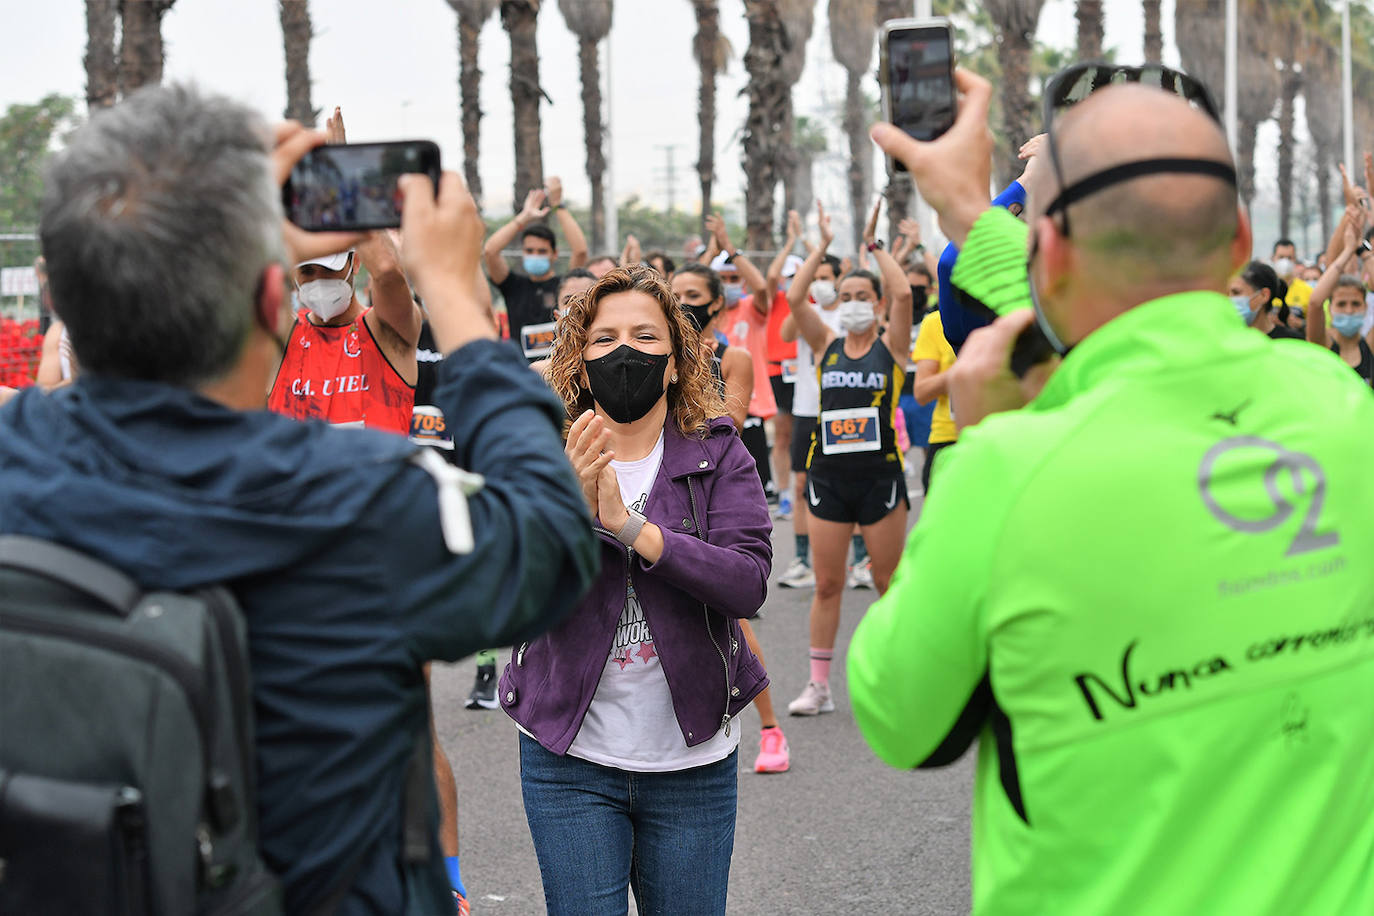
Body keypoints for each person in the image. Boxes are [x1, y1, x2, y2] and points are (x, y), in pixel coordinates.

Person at [0, 84, 599, 915]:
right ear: (275, 298)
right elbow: (553, 543)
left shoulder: (15, 457)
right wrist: (459, 299)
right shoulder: (360, 500)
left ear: (61, 302)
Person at [854, 64, 1374, 914]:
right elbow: (1128, 347)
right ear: (1241, 238)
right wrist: (974, 220)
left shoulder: (1009, 471)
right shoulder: (1342, 411)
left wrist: (989, 438)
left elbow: (899, 715)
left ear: (1050, 248)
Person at [501, 265, 772, 914]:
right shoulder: (540, 451)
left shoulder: (718, 453)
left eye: (647, 338)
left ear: (677, 364)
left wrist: (631, 528)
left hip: (692, 766)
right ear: (581, 364)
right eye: (605, 339)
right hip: (568, 761)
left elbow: (747, 584)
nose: (626, 352)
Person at [785, 201, 912, 717]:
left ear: (877, 305)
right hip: (829, 478)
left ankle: (898, 678)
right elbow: (795, 297)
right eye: (847, 296)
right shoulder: (826, 343)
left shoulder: (893, 347)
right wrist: (821, 245)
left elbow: (904, 291)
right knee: (829, 583)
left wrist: (874, 244)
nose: (855, 302)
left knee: (887, 584)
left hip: (880, 478)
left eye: (864, 296)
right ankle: (819, 685)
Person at [670, 262, 791, 774]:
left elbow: (726, 425)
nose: (683, 303)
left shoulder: (732, 357)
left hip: (716, 490)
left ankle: (770, 728)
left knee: (729, 612)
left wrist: (690, 369)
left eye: (693, 295)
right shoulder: (657, 354)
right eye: (675, 294)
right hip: (666, 489)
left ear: (717, 303)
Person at [482, 176, 589, 355]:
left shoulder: (564, 285)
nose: (535, 255)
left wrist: (558, 206)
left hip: (559, 373)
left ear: (554, 254)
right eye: (529, 251)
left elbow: (580, 251)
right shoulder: (513, 286)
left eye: (541, 251)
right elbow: (490, 251)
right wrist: (524, 217)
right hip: (523, 375)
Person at [911, 306, 959, 493]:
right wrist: (963, 371)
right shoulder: (935, 322)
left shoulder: (1010, 314)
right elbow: (922, 392)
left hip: (1000, 431)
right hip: (948, 436)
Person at [1229, 260, 1300, 339]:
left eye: (1236, 293)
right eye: (1227, 293)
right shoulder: (1223, 340)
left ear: (1264, 295)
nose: (1229, 299)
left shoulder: (1290, 341)